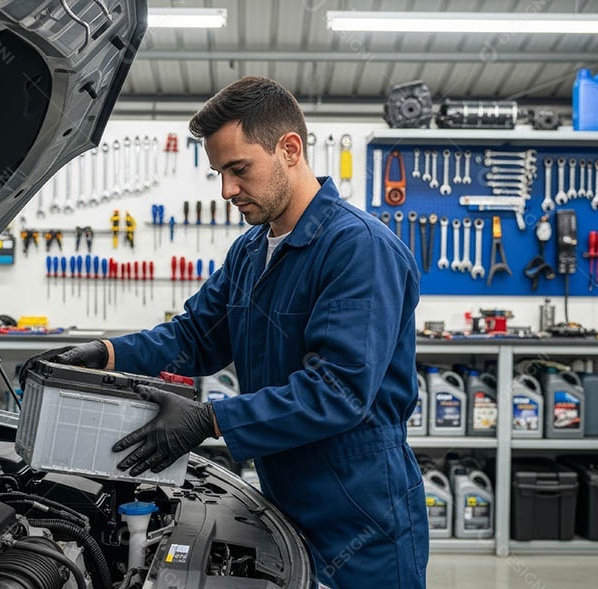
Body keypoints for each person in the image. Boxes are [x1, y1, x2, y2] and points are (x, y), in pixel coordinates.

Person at [21, 76, 429, 588]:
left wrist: (210, 419)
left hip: (360, 508)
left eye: (239, 170)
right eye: (218, 173)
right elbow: (193, 337)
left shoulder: (358, 248)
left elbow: (339, 390)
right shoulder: (251, 251)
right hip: (281, 497)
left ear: (290, 149)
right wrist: (104, 354)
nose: (227, 190)